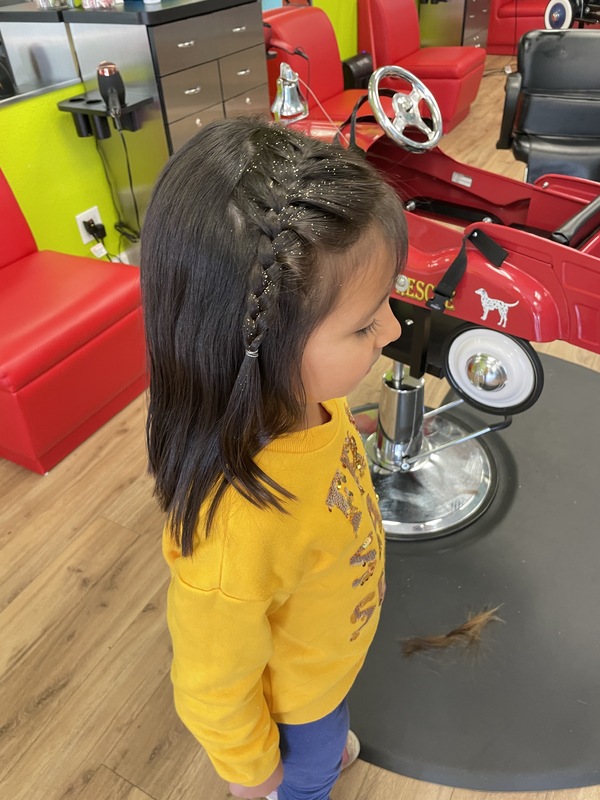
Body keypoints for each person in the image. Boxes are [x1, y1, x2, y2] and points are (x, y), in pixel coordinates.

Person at [140, 117, 408, 800]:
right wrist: (258, 775)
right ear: (260, 338)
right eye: (365, 321)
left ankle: (325, 737)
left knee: (326, 729)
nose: (395, 329)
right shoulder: (234, 532)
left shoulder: (310, 398)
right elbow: (211, 688)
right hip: (296, 707)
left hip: (325, 662)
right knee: (307, 774)